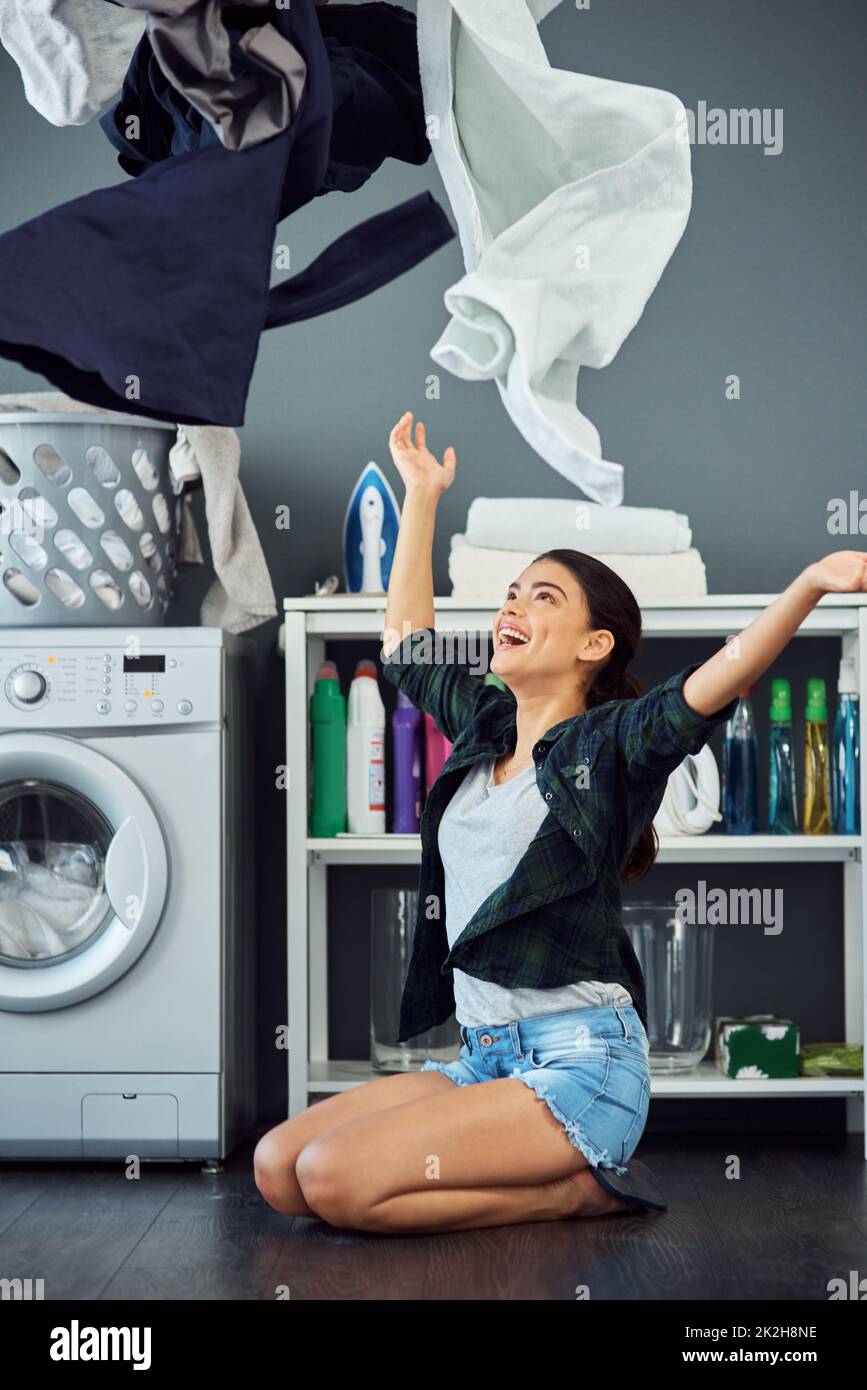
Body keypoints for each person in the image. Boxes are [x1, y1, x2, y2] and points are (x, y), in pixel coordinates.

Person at [254, 411, 867, 1234]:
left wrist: (807, 587)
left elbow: (713, 682)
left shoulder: (613, 746)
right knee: (277, 1170)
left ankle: (577, 1189)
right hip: (482, 1062)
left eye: (544, 597)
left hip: (580, 1066)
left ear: (593, 643)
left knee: (334, 1181)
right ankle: (554, 1186)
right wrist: (422, 495)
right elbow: (404, 644)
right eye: (512, 593)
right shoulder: (484, 724)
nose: (514, 604)